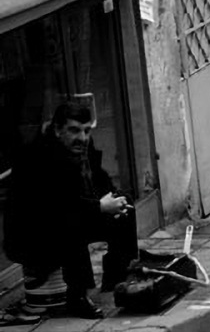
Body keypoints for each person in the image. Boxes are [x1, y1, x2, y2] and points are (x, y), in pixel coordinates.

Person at [3, 99, 139, 319]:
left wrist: (113, 198)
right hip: (31, 236)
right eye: (74, 130)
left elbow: (99, 179)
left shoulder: (82, 147)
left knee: (126, 203)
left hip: (65, 215)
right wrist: (100, 206)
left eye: (86, 130)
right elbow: (58, 206)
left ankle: (117, 280)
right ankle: (78, 297)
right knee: (72, 224)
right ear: (58, 130)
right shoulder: (38, 156)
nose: (82, 138)